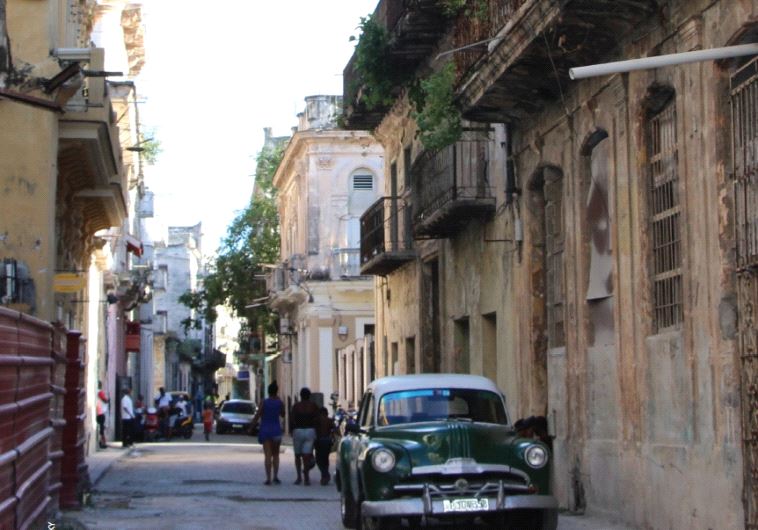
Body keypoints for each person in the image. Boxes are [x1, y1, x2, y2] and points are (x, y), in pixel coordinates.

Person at [251, 382, 284, 485]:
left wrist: (251, 427)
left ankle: (268, 478)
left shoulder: (264, 402)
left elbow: (258, 415)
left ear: (268, 391)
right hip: (276, 430)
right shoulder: (279, 402)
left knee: (268, 456)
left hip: (265, 431)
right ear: (276, 391)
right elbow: (283, 414)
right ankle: (276, 476)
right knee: (276, 455)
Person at [290, 387, 319, 485]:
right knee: (306, 455)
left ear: (301, 396)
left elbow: (292, 420)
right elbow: (317, 419)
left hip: (298, 431)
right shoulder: (313, 406)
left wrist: (292, 431)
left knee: (298, 456)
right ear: (309, 396)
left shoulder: (296, 406)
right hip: (310, 431)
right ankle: (306, 477)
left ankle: (299, 477)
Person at [314, 407, 335, 485]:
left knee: (319, 459)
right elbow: (334, 430)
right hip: (327, 441)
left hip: (319, 441)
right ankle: (325, 475)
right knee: (325, 459)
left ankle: (325, 475)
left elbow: (314, 430)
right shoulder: (329, 420)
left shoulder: (316, 420)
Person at [96, 381, 109, 449]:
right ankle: (102, 442)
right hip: (101, 412)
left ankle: (101, 441)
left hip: (98, 411)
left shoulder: (95, 392)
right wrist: (108, 400)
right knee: (102, 429)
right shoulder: (99, 392)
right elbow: (105, 400)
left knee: (101, 428)